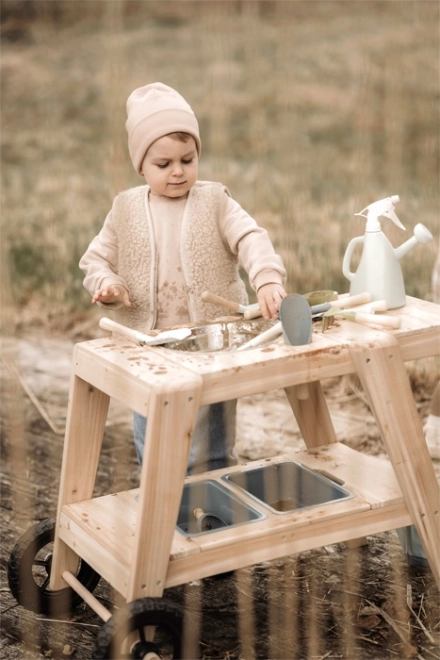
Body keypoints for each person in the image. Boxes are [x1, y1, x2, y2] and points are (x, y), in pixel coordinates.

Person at [79, 82, 287, 474]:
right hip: (150, 346)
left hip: (214, 342)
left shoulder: (214, 200)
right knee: (156, 441)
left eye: (187, 160)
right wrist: (108, 286)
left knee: (211, 445)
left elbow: (250, 237)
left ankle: (214, 505)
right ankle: (164, 508)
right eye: (164, 164)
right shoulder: (125, 209)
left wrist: (267, 279)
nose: (178, 171)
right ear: (140, 165)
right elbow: (95, 260)